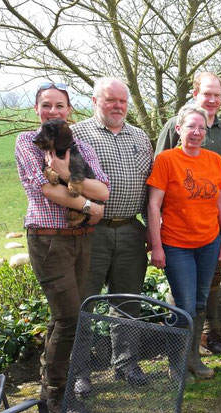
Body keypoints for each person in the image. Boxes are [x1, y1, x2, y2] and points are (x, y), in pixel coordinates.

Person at [15, 81, 109, 413]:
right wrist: (88, 207)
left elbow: (104, 190)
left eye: (59, 105)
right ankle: (57, 396)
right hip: (48, 237)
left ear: (69, 110)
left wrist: (70, 173)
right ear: (37, 108)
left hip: (82, 239)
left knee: (65, 317)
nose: (52, 111)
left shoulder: (81, 144)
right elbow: (45, 188)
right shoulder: (28, 142)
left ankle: (48, 392)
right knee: (69, 318)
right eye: (46, 105)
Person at [156, 71, 221, 355]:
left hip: (211, 228)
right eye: (207, 93)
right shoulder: (173, 130)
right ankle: (179, 354)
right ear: (195, 94)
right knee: (184, 296)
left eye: (217, 95)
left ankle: (206, 338)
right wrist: (155, 231)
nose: (212, 99)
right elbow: (157, 182)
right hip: (177, 232)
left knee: (207, 289)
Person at [73, 77, 154, 391]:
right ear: (95, 101)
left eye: (122, 101)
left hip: (132, 229)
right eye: (110, 100)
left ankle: (125, 363)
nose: (118, 106)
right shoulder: (79, 134)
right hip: (91, 230)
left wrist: (150, 228)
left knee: (127, 302)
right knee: (85, 301)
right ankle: (80, 372)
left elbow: (150, 187)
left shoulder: (139, 136)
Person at [147, 104, 221, 379]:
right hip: (176, 244)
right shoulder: (166, 160)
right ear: (178, 129)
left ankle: (193, 358)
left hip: (208, 242)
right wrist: (157, 245)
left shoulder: (214, 160)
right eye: (191, 127)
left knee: (200, 302)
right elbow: (153, 205)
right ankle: (177, 362)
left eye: (201, 128)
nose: (196, 132)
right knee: (184, 302)